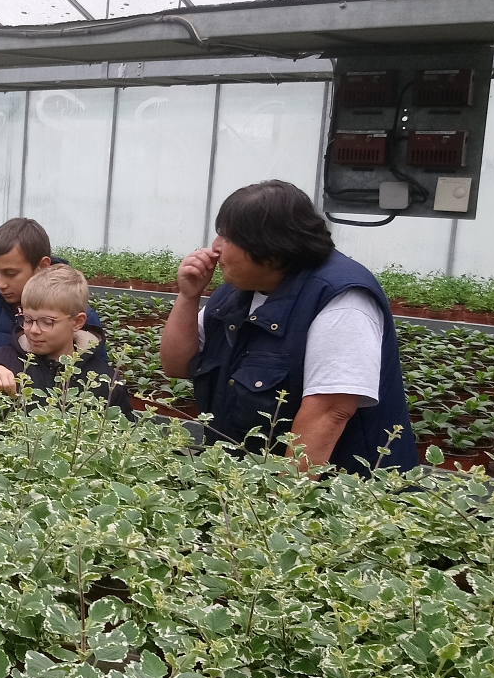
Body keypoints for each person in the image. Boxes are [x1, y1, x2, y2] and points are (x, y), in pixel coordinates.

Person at [158, 179, 415, 475]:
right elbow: (178, 365)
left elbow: (330, 412)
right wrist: (188, 296)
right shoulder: (239, 290)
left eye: (228, 238)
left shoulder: (340, 300)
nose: (215, 248)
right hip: (243, 482)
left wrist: (277, 506)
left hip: (336, 499)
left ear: (270, 250)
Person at [0, 265, 133, 418]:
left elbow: (123, 437)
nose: (33, 330)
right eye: (27, 319)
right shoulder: (3, 360)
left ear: (77, 322)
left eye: (48, 322)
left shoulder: (105, 382)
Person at [0, 217, 105, 385]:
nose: (0, 284)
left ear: (42, 266)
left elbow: (97, 376)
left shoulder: (75, 313)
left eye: (11, 274)